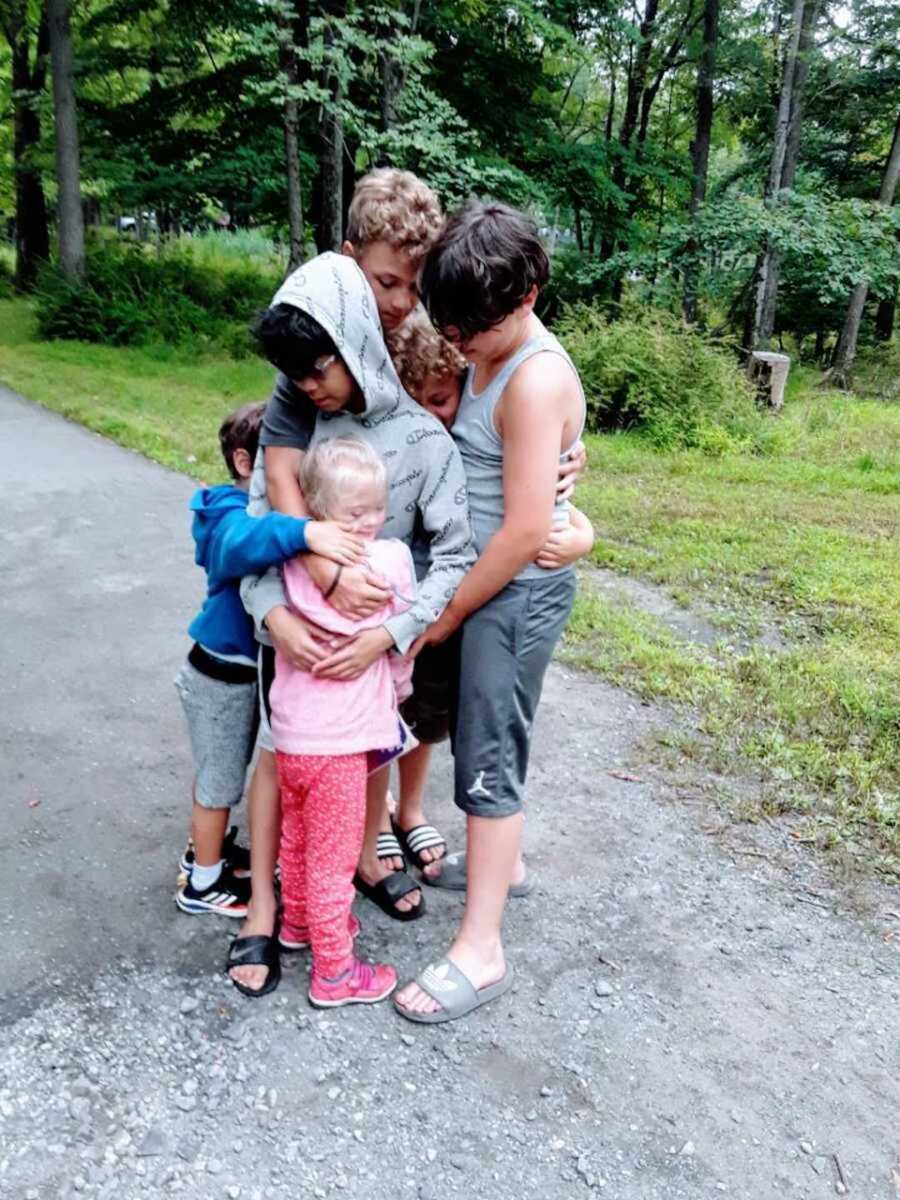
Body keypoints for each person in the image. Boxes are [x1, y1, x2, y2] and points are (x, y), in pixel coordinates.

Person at [226, 251, 475, 995]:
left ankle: (337, 893)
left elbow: (454, 557)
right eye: (295, 376)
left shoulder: (427, 442)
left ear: (359, 339)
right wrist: (273, 611)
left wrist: (393, 634)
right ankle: (268, 912)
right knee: (278, 764)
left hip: (367, 672)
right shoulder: (298, 429)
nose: (308, 387)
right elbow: (259, 538)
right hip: (294, 658)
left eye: (319, 369)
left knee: (345, 788)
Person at [394, 200, 586, 1023]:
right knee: (481, 735)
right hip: (481, 587)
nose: (461, 340)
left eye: (477, 325)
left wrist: (439, 618)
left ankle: (481, 950)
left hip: (508, 593)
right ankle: (498, 866)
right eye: (452, 321)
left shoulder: (534, 376)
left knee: (486, 754)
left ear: (530, 293)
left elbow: (521, 536)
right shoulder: (480, 346)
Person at [384, 312, 595, 885]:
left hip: (474, 596)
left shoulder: (504, 388)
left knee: (449, 719)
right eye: (416, 403)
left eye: (441, 399)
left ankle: (417, 815)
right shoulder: (407, 440)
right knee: (398, 704)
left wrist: (580, 529)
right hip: (420, 590)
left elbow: (533, 500)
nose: (433, 415)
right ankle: (381, 823)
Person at [173, 402, 363, 917]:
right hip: (219, 673)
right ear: (243, 461)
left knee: (226, 770)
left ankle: (205, 854)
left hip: (241, 673)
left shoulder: (251, 513)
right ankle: (203, 883)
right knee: (220, 781)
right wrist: (307, 533)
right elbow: (245, 541)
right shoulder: (227, 516)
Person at [270, 437, 417, 1007]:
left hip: (292, 735)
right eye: (357, 513)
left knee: (299, 839)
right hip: (342, 742)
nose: (371, 522)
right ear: (320, 511)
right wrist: (398, 688)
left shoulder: (290, 558)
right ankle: (334, 973)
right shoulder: (389, 561)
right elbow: (402, 644)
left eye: (378, 508)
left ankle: (298, 927)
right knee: (334, 860)